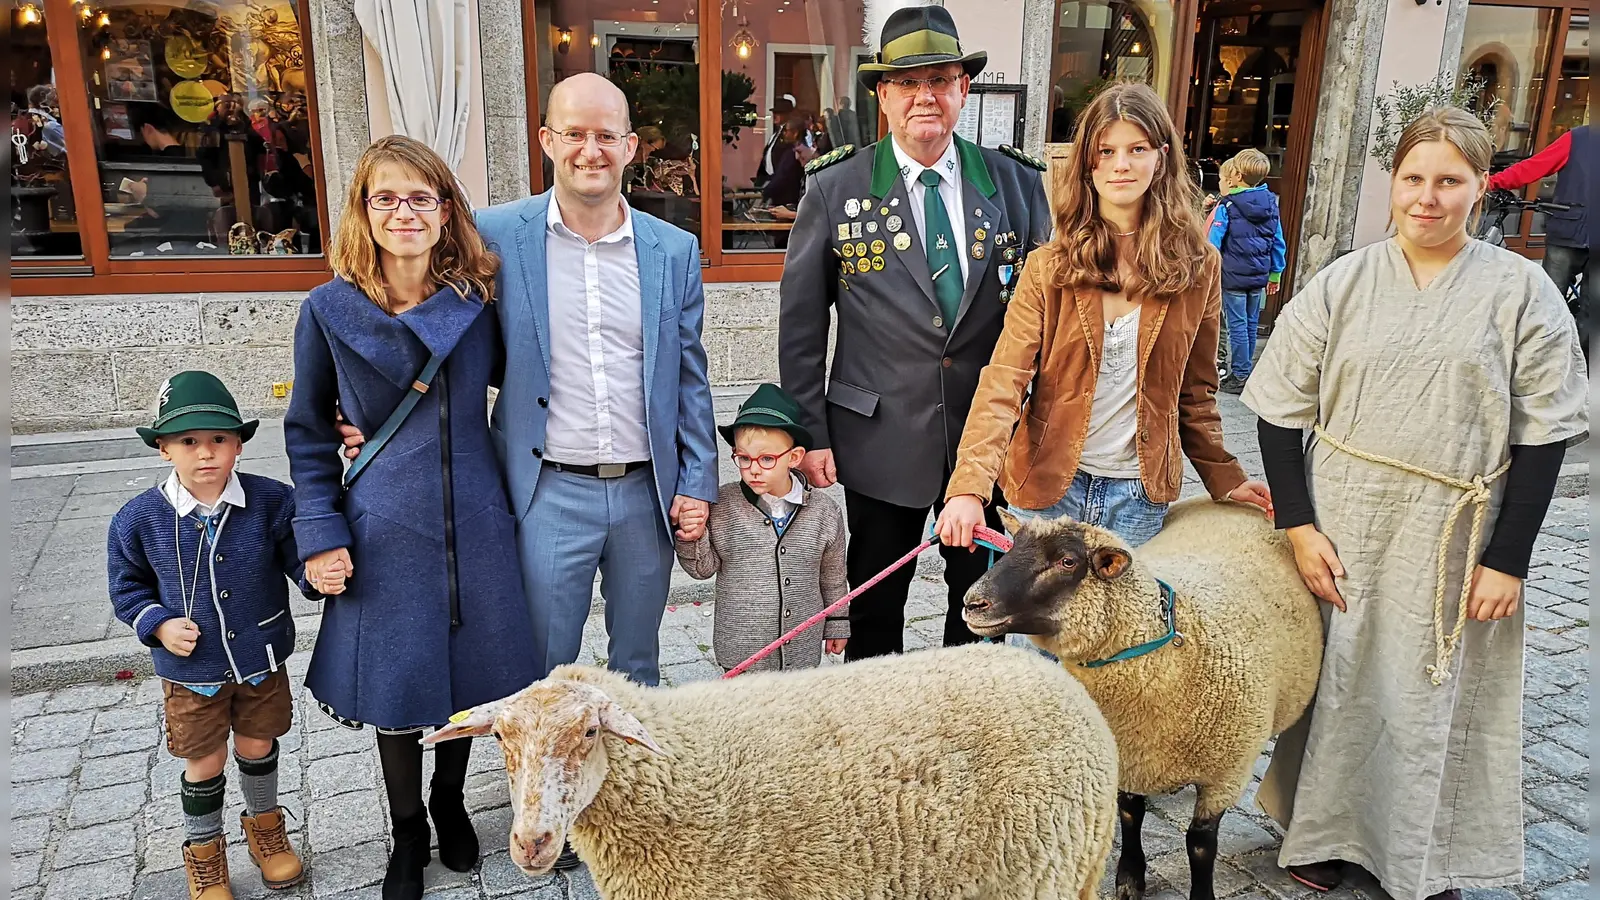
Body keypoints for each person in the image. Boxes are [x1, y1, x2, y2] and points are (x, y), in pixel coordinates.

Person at [334, 75, 718, 872]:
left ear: (629, 148)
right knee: (545, 671)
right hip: (548, 489)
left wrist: (697, 480)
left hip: (646, 490)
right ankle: (550, 814)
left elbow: (689, 375)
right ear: (546, 141)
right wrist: (369, 417)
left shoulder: (671, 249)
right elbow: (426, 323)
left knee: (636, 664)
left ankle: (622, 810)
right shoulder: (495, 237)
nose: (590, 149)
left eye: (606, 135)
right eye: (574, 133)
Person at [1243, 107, 1587, 899]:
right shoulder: (1343, 282)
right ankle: (1318, 828)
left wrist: (1509, 560)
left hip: (1455, 535)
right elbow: (1278, 407)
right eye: (1413, 178)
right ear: (1393, 183)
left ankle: (1422, 850)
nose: (1427, 198)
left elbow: (1546, 432)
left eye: (1449, 181)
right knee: (1340, 682)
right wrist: (1297, 526)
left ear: (1479, 189)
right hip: (1346, 521)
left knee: (1435, 692)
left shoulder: (1521, 292)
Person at [284, 135, 540, 900]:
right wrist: (319, 534)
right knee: (399, 689)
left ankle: (450, 802)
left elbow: (524, 379)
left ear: (446, 211)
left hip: (477, 519)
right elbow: (304, 430)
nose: (405, 211)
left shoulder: (478, 301)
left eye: (422, 197)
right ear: (363, 210)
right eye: (386, 196)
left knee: (467, 680)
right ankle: (406, 832)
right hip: (384, 524)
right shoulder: (328, 310)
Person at [779, 5, 1053, 661]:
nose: (924, 96)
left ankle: (963, 728)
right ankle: (881, 738)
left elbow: (1048, 319)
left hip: (989, 445)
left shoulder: (1015, 183)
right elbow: (802, 323)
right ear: (882, 94)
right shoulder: (837, 187)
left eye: (940, 79)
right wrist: (808, 434)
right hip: (878, 441)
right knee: (876, 604)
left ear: (964, 88)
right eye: (907, 82)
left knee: (986, 603)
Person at [935, 82, 1271, 555]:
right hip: (1048, 488)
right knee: (1030, 630)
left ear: (1161, 157)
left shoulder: (1199, 267)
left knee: (1123, 630)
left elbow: (1195, 393)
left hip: (1138, 494)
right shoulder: (1050, 266)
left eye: (1137, 149)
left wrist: (1224, 475)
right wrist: (970, 486)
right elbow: (1004, 382)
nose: (1121, 164)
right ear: (1088, 163)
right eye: (1106, 150)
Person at [108, 371, 306, 900]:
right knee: (205, 760)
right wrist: (156, 623)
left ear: (238, 444)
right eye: (188, 442)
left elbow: (298, 559)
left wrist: (320, 575)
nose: (205, 454)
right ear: (163, 450)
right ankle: (205, 854)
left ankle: (267, 832)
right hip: (192, 674)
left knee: (258, 743)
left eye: (218, 439)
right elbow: (127, 589)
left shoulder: (271, 501)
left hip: (260, 659)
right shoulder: (138, 520)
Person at [675, 383, 849, 672]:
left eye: (767, 459)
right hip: (741, 655)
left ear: (794, 457)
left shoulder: (825, 512)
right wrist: (692, 536)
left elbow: (833, 576)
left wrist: (837, 624)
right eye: (743, 459)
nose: (753, 469)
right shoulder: (723, 506)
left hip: (802, 654)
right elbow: (702, 569)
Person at [1488, 123, 1590, 359]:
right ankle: (1539, 361)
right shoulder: (1577, 138)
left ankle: (1577, 369)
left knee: (1590, 319)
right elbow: (1535, 167)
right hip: (1568, 232)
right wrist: (1493, 182)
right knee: (1547, 305)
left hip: (1573, 231)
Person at [1206, 147, 1286, 393]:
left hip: (1233, 277)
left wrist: (1207, 271)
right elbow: (1278, 240)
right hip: (1258, 276)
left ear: (1237, 176)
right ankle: (1246, 371)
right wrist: (1275, 273)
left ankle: (1239, 374)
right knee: (1251, 324)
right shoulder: (1271, 203)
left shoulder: (1228, 205)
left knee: (1237, 326)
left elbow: (1212, 242)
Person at [755, 93, 797, 187]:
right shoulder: (776, 133)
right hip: (768, 179)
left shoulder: (789, 133)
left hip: (779, 182)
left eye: (778, 113)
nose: (774, 115)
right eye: (774, 113)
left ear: (787, 114)